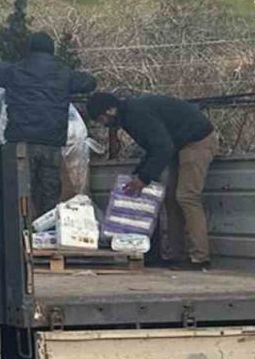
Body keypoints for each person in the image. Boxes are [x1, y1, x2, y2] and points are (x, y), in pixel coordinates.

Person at [88, 92, 219, 269]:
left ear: (110, 110)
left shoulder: (136, 115)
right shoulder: (128, 115)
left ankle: (200, 258)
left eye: (101, 118)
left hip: (197, 141)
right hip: (178, 144)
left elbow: (162, 147)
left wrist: (143, 179)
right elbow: (155, 147)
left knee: (187, 197)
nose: (102, 123)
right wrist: (140, 173)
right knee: (171, 200)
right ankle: (176, 255)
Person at [0, 31, 97, 219]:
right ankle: (45, 232)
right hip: (50, 143)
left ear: (29, 49)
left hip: (20, 143)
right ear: (52, 51)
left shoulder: (15, 71)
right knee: (48, 193)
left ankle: (20, 238)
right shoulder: (64, 73)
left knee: (21, 192)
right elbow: (90, 83)